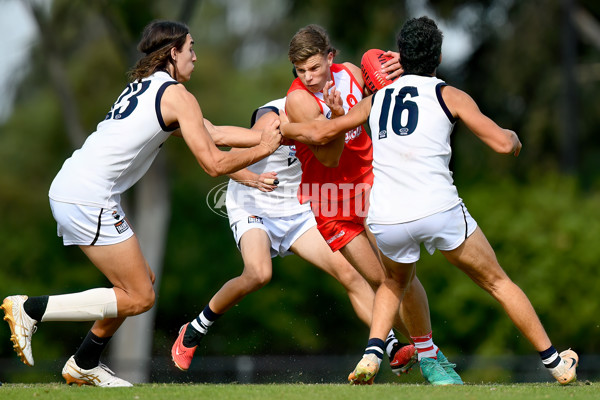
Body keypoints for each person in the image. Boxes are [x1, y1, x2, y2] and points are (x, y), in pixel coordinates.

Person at [280, 16, 578, 385]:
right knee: (498, 282)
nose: (308, 75)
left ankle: (374, 352)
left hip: (385, 214)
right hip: (435, 208)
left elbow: (324, 131)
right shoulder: (448, 93)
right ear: (438, 55)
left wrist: (287, 129)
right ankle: (555, 363)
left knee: (391, 284)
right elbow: (503, 144)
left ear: (400, 56)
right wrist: (514, 138)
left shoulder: (376, 97)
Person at [0, 20, 281, 387]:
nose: (195, 56)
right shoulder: (177, 95)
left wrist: (273, 136)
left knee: (138, 283)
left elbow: (212, 133)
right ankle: (31, 309)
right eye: (191, 49)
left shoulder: (148, 87)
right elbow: (212, 162)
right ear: (173, 52)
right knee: (140, 297)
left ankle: (85, 362)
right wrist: (263, 148)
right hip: (88, 196)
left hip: (75, 188)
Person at [171, 98, 418, 375]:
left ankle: (392, 346)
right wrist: (253, 179)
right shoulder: (273, 118)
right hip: (254, 203)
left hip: (296, 208)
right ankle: (196, 327)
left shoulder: (329, 114)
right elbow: (222, 148)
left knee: (349, 272)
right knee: (258, 273)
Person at [283, 24, 460, 385]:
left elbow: (396, 96)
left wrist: (406, 63)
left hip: (368, 185)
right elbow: (329, 159)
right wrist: (333, 118)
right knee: (381, 281)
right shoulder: (299, 100)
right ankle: (409, 349)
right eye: (301, 71)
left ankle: (428, 355)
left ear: (330, 58)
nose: (309, 77)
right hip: (329, 201)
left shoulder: (350, 73)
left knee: (400, 277)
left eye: (315, 67)